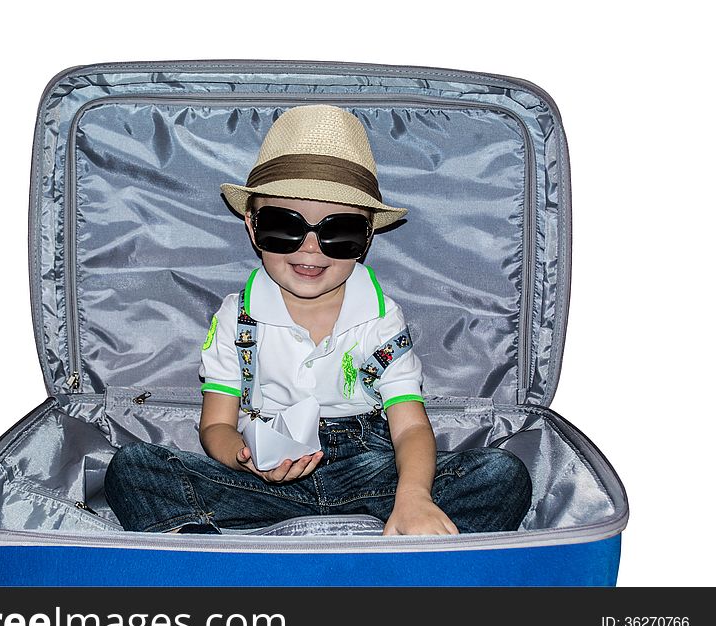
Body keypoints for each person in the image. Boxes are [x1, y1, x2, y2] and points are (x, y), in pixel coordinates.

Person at [104, 104, 532, 535]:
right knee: (134, 468)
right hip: (266, 484)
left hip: (370, 476)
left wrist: (413, 497)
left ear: (366, 238)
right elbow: (216, 424)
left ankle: (384, 553)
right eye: (283, 226)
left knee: (500, 474)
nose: (310, 249)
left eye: (337, 231)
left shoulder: (381, 318)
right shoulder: (238, 317)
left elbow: (409, 427)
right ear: (252, 227)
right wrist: (245, 457)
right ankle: (231, 564)